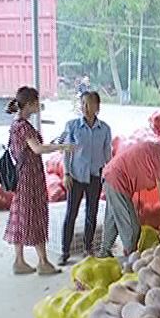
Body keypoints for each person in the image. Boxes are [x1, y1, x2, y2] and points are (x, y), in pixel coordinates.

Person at [4, 86, 74, 275]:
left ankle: (19, 261)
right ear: (28, 104)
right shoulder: (24, 127)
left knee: (21, 216)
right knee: (36, 216)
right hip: (31, 178)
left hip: (22, 176)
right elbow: (37, 149)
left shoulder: (16, 124)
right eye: (36, 102)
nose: (38, 105)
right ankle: (43, 262)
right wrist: (62, 147)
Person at [99, 140, 160, 258]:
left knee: (112, 219)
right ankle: (130, 258)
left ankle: (103, 253)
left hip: (111, 174)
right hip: (117, 179)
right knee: (132, 228)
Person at [58, 91, 112, 265]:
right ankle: (65, 251)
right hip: (75, 176)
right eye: (83, 104)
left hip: (95, 176)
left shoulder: (104, 129)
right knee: (71, 214)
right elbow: (66, 151)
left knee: (92, 213)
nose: (85, 108)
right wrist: (66, 173)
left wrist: (108, 175)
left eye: (89, 104)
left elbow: (107, 154)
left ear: (97, 107)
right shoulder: (72, 126)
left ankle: (88, 248)